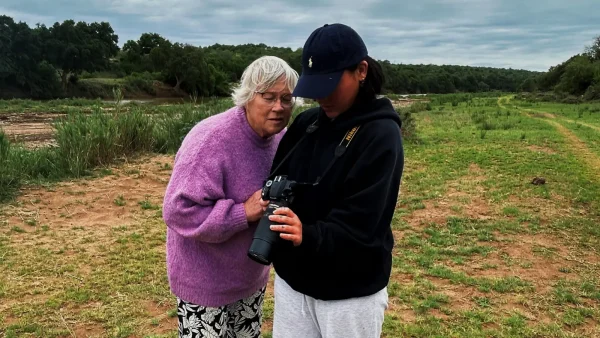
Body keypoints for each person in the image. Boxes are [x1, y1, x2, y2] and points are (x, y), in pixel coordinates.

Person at [263, 23, 405, 338]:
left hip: (349, 293)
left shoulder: (381, 134)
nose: (321, 97)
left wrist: (307, 234)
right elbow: (279, 178)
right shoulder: (307, 123)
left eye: (329, 84)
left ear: (361, 70)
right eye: (314, 86)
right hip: (294, 283)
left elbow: (363, 224)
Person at [162, 55, 298, 338]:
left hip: (250, 278)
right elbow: (177, 210)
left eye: (286, 99)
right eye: (269, 97)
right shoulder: (210, 139)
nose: (278, 107)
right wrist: (241, 212)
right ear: (248, 96)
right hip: (204, 283)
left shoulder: (282, 140)